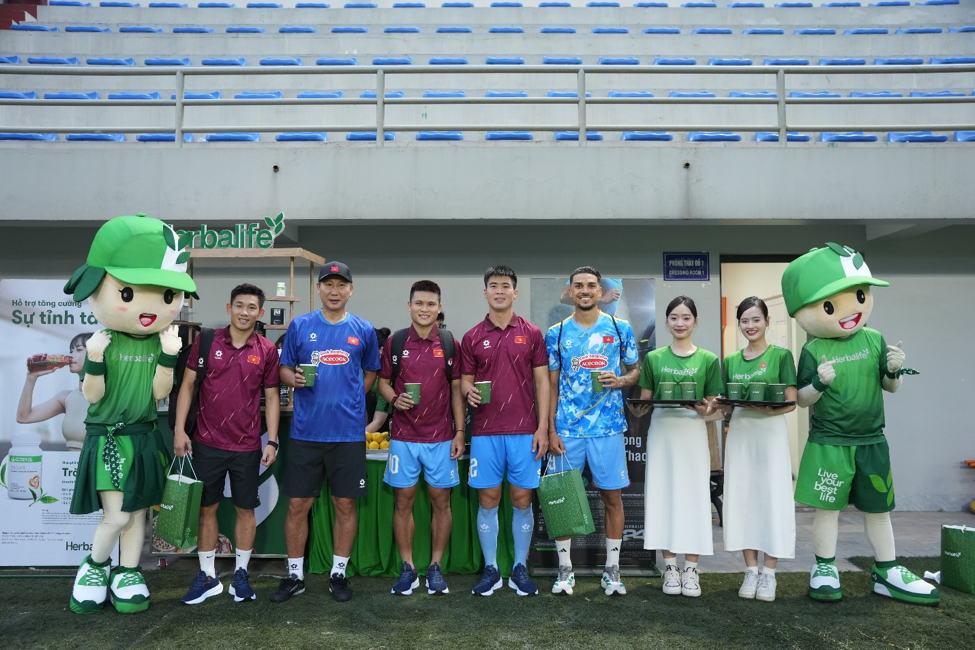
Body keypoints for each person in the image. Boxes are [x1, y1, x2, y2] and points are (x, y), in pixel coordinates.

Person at [272, 261, 380, 604]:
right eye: (328, 284)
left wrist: (352, 398)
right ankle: (295, 575)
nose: (335, 291)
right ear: (318, 289)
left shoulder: (364, 329)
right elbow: (284, 369)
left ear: (351, 290)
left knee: (344, 504)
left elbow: (371, 373)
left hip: (348, 434)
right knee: (297, 505)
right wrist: (294, 379)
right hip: (306, 432)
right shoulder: (301, 325)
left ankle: (338, 574)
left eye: (341, 285)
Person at [173, 283, 281, 605]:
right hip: (206, 443)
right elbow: (187, 385)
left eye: (251, 307)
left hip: (247, 445)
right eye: (239, 305)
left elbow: (272, 397)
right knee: (206, 509)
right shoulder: (207, 341)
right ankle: (207, 576)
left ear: (260, 313)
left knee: (245, 510)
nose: (244, 312)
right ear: (229, 308)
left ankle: (240, 575)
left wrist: (272, 440)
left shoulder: (266, 350)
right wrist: (179, 430)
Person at [545, 266, 639, 597]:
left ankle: (612, 570)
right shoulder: (556, 333)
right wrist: (550, 428)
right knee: (564, 499)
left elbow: (635, 370)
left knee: (612, 497)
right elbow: (551, 385)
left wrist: (622, 380)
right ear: (570, 291)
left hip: (608, 428)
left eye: (591, 285)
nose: (585, 290)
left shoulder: (619, 327)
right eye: (579, 286)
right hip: (567, 430)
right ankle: (565, 569)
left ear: (600, 291)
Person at [461, 265, 550, 597]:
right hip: (485, 432)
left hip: (525, 431)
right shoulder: (471, 336)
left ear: (515, 292)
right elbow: (465, 381)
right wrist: (468, 391)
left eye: (505, 285)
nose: (499, 290)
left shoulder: (532, 333)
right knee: (488, 500)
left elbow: (543, 382)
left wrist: (543, 427)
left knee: (522, 501)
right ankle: (491, 569)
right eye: (494, 285)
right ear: (485, 292)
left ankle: (519, 568)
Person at [632, 296, 722, 598]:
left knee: (694, 498)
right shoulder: (654, 359)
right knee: (663, 496)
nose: (679, 323)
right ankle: (670, 567)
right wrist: (635, 407)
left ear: (696, 321)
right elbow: (644, 404)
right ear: (666, 321)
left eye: (686, 317)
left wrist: (702, 408)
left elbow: (714, 407)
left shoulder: (708, 359)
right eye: (674, 317)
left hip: (693, 433)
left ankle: (691, 568)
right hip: (662, 434)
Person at [378, 281, 465, 596]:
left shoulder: (450, 343)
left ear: (439, 308)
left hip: (440, 437)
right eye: (419, 303)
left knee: (441, 502)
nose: (424, 309)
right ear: (409, 306)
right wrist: (394, 398)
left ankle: (435, 567)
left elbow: (456, 390)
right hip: (403, 437)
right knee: (403, 502)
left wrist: (459, 432)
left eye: (430, 304)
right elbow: (383, 382)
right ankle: (408, 568)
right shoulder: (396, 342)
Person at [718, 297, 797, 602]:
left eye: (756, 319)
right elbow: (727, 405)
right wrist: (716, 406)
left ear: (766, 321)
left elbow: (790, 401)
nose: (750, 326)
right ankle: (751, 570)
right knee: (743, 499)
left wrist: (767, 410)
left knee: (772, 498)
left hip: (770, 435)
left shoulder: (781, 356)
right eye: (744, 321)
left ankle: (769, 574)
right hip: (740, 435)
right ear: (738, 324)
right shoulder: (731, 361)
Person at [17, 332, 93, 450]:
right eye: (71, 350)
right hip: (71, 462)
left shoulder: (112, 396)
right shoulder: (66, 398)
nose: (71, 355)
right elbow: (23, 417)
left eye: (78, 349)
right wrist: (31, 378)